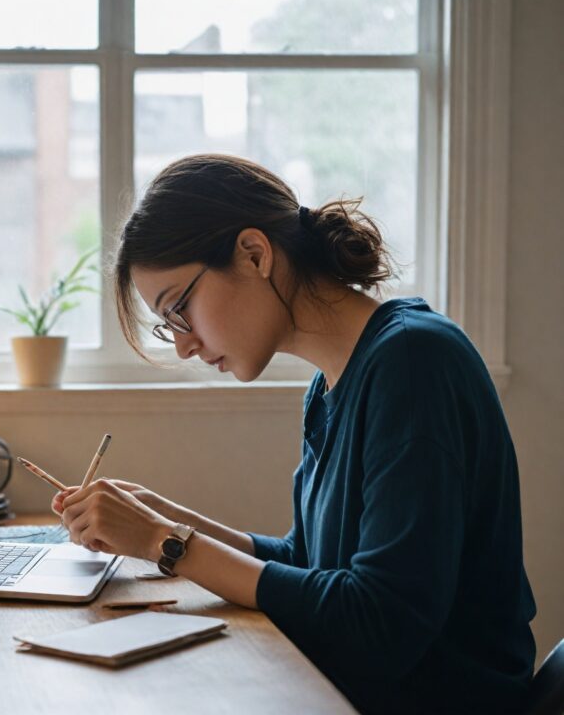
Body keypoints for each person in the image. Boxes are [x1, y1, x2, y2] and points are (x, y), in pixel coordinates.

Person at [52, 154, 536, 714]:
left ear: (254, 254)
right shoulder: (334, 382)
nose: (182, 344)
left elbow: (376, 628)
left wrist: (168, 544)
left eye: (179, 308)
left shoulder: (415, 363)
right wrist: (167, 520)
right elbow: (308, 562)